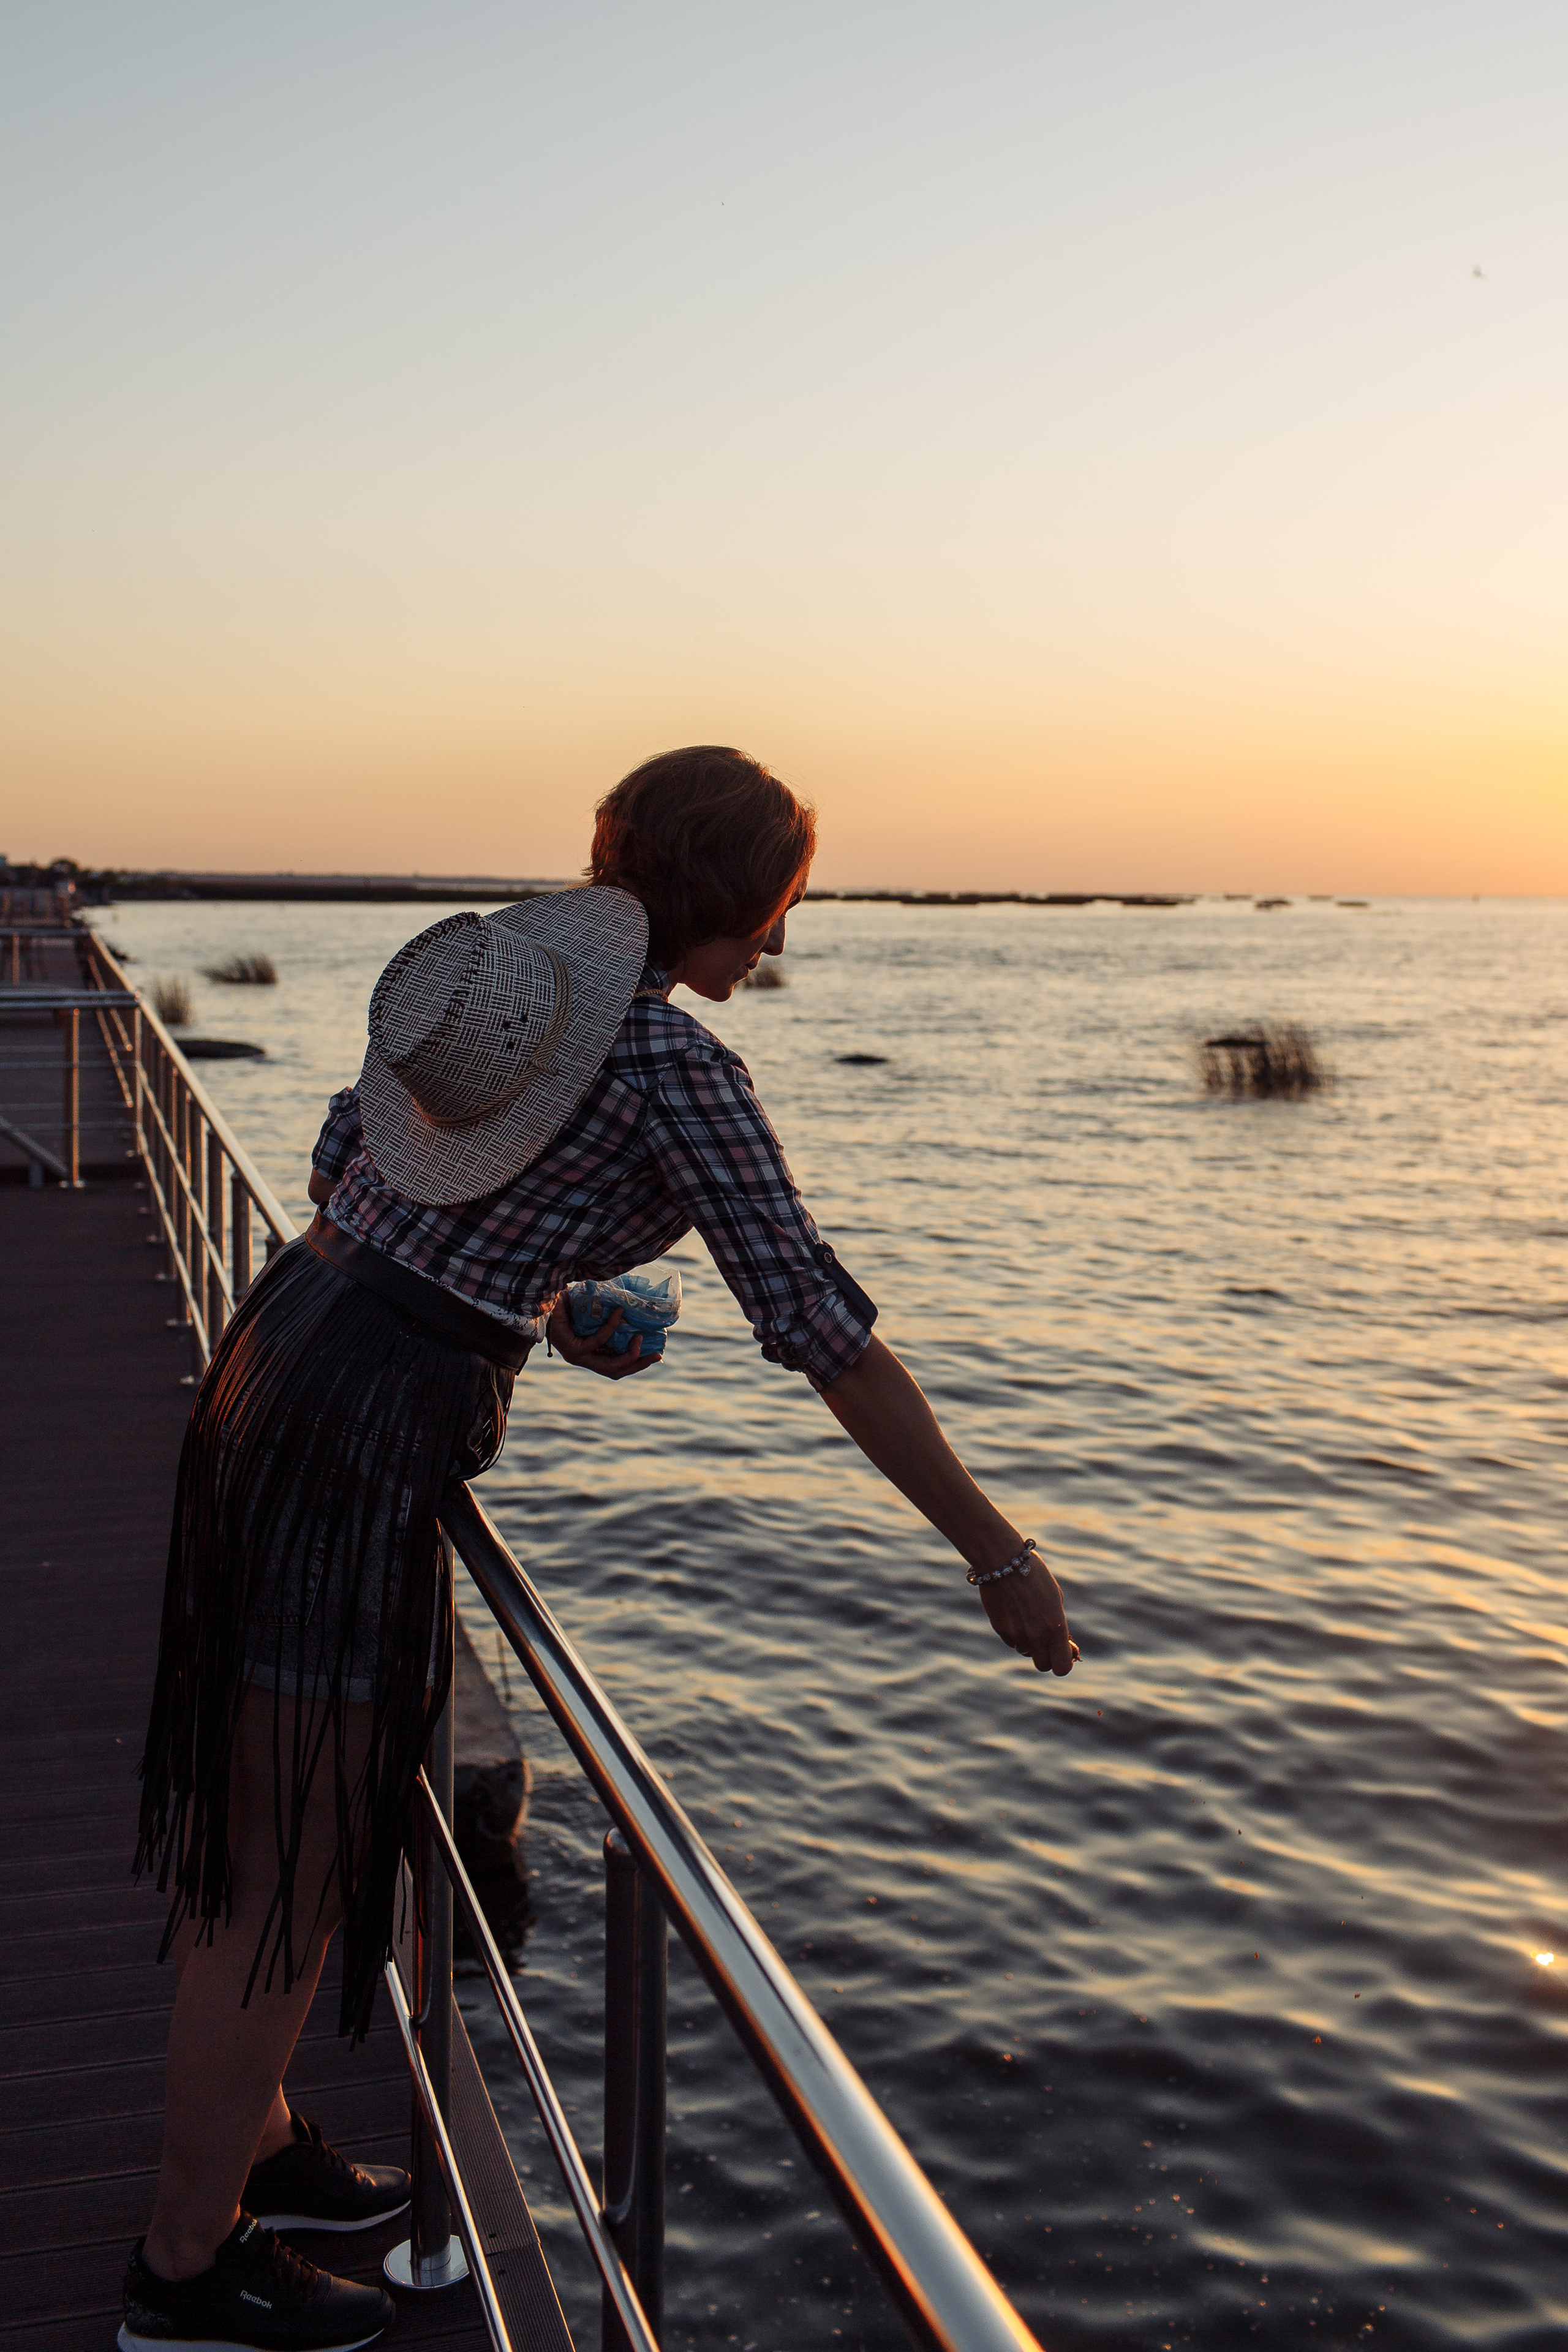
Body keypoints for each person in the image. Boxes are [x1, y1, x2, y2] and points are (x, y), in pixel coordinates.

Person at [123, 745, 1077, 2352]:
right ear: (718, 895)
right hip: (355, 1435)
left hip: (281, 1363)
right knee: (281, 1870)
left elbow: (350, 1176)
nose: (773, 954)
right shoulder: (673, 1069)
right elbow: (822, 1332)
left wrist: (541, 1301)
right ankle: (179, 2270)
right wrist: (998, 1550)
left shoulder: (514, 1003)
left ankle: (262, 2147)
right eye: (771, 914)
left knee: (279, 1828)